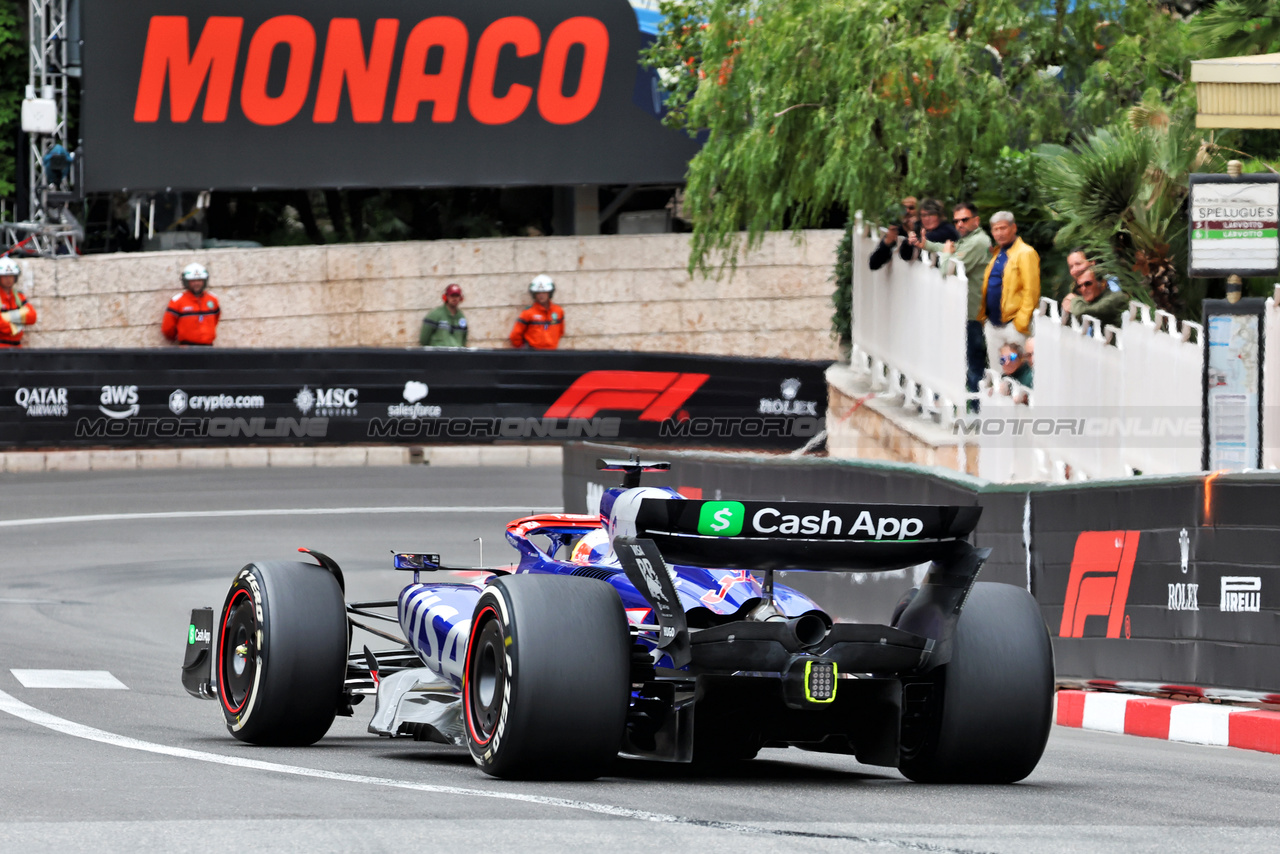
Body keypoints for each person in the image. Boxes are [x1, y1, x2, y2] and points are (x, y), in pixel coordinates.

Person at [927, 202, 992, 402]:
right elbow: (950, 250)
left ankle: (977, 411)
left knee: (974, 366)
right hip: (965, 313)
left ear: (976, 220)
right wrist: (925, 245)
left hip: (974, 314)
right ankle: (970, 408)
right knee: (965, 361)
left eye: (964, 220)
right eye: (956, 221)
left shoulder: (978, 242)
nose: (960, 224)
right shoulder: (968, 240)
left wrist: (945, 254)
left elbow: (947, 268)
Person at [978, 211, 1040, 375]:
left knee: (1017, 370)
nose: (999, 233)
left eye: (1003, 228)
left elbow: (1031, 291)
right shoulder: (998, 253)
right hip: (994, 323)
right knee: (998, 370)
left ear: (1014, 228)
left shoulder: (1025, 252)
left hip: (1014, 324)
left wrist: (1021, 322)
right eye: (996, 229)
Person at [1062, 249, 1129, 332]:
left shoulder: (1111, 284)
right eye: (1071, 267)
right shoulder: (1078, 288)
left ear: (1092, 263)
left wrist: (1074, 301)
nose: (1074, 270)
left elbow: (1096, 309)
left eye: (1078, 264)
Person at [163, 262, 220, 345]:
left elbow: (215, 320)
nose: (196, 283)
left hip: (208, 347)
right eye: (193, 281)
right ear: (186, 282)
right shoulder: (177, 301)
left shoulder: (212, 299)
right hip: (187, 349)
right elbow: (168, 328)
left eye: (199, 280)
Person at [509, 275, 564, 349]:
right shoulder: (528, 312)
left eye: (544, 292)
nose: (541, 295)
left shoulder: (558, 311)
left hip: (552, 353)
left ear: (550, 293)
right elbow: (515, 335)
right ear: (534, 294)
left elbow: (560, 331)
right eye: (538, 293)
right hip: (533, 354)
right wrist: (523, 350)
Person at [0, 256, 36, 348]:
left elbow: (32, 316)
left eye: (11, 276)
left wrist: (7, 317)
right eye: (5, 276)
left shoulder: (19, 296)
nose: (8, 279)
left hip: (17, 348)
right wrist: (17, 325)